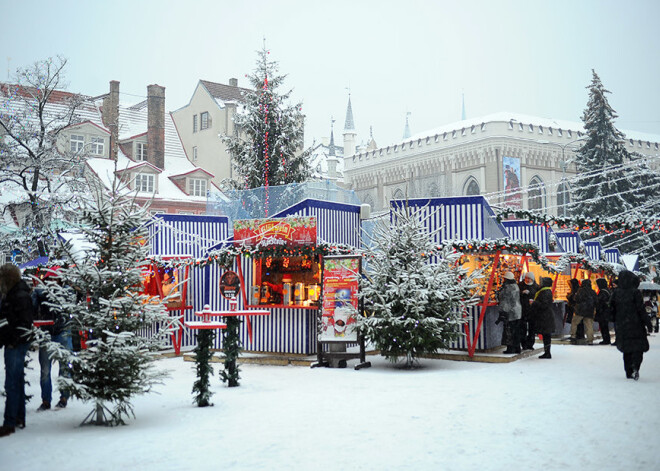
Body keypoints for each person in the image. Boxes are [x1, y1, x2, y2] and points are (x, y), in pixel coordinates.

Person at [0, 263, 35, 437]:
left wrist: (12, 339)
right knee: (17, 380)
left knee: (12, 382)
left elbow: (23, 323)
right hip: (13, 342)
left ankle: (10, 422)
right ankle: (19, 416)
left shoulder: (18, 296)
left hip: (15, 344)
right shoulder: (15, 294)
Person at [32, 269, 72, 411]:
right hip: (49, 331)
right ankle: (47, 399)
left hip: (60, 330)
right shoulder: (40, 292)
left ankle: (62, 397)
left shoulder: (65, 291)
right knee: (46, 369)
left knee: (62, 367)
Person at [610, 270, 652, 380]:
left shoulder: (616, 293)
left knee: (626, 350)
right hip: (636, 324)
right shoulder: (635, 292)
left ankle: (628, 371)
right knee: (638, 348)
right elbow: (641, 309)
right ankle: (635, 366)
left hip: (622, 325)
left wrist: (615, 319)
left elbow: (611, 309)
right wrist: (648, 323)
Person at [497, 271, 522, 354]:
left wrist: (502, 311)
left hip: (510, 312)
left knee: (509, 331)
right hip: (517, 311)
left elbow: (505, 301)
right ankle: (517, 347)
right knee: (516, 331)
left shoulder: (508, 288)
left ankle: (510, 349)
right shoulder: (516, 286)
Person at [530, 277, 555, 358]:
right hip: (546, 316)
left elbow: (544, 305)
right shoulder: (546, 291)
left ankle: (547, 353)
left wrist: (534, 303)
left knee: (546, 335)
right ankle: (547, 352)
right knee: (546, 335)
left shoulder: (545, 292)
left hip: (545, 317)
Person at [570, 279, 597, 345]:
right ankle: (590, 340)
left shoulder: (580, 291)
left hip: (580, 311)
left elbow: (576, 299)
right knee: (589, 326)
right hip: (589, 311)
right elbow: (596, 301)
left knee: (574, 322)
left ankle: (573, 336)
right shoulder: (592, 291)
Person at [519, 272, 539, 350]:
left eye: (529, 278)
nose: (527, 280)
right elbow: (517, 295)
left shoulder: (536, 286)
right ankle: (523, 344)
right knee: (522, 328)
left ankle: (530, 344)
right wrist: (522, 293)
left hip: (532, 310)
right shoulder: (520, 285)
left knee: (532, 329)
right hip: (523, 309)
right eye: (526, 278)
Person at [595, 278, 612, 345]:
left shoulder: (603, 292)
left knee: (603, 326)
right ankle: (606, 339)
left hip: (603, 312)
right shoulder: (608, 290)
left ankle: (606, 340)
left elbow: (600, 302)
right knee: (605, 326)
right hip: (607, 311)